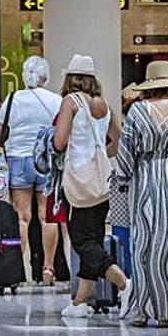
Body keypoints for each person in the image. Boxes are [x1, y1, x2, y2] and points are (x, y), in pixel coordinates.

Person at [116, 61, 168, 327]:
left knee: (144, 246)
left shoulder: (137, 112)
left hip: (145, 181)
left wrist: (122, 178)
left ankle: (141, 310)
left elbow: (126, 151)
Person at [52, 54, 129, 318]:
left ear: (71, 79)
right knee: (94, 239)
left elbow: (60, 142)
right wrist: (99, 157)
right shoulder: (105, 105)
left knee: (83, 242)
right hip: (102, 182)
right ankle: (79, 303)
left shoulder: (70, 102)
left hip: (78, 183)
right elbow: (119, 140)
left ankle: (124, 284)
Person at [0, 56, 62, 286]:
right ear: (46, 77)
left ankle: (18, 269)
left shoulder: (13, 99)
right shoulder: (56, 100)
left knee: (22, 217)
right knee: (47, 216)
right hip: (46, 160)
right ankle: (48, 268)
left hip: (19, 159)